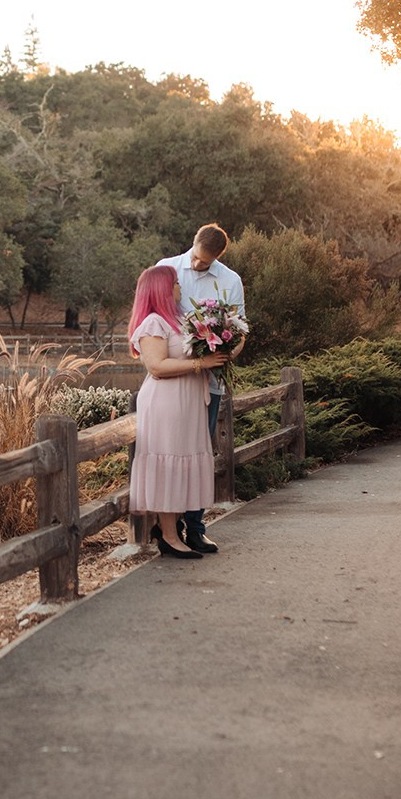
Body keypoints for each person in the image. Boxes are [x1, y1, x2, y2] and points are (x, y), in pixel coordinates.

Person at [157, 224, 246, 554]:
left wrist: (222, 354)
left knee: (199, 456)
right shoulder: (165, 269)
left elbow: (239, 331)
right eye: (195, 258)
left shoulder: (230, 281)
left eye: (205, 263)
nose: (197, 266)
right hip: (175, 382)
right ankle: (169, 526)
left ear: (218, 258)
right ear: (191, 245)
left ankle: (195, 526)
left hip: (210, 383)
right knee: (170, 454)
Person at [128, 264, 225, 557]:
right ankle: (169, 536)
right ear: (163, 289)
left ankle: (175, 530)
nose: (179, 288)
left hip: (189, 405)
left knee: (184, 463)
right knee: (168, 466)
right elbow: (156, 366)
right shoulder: (153, 323)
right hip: (166, 404)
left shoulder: (180, 321)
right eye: (175, 284)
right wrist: (200, 364)